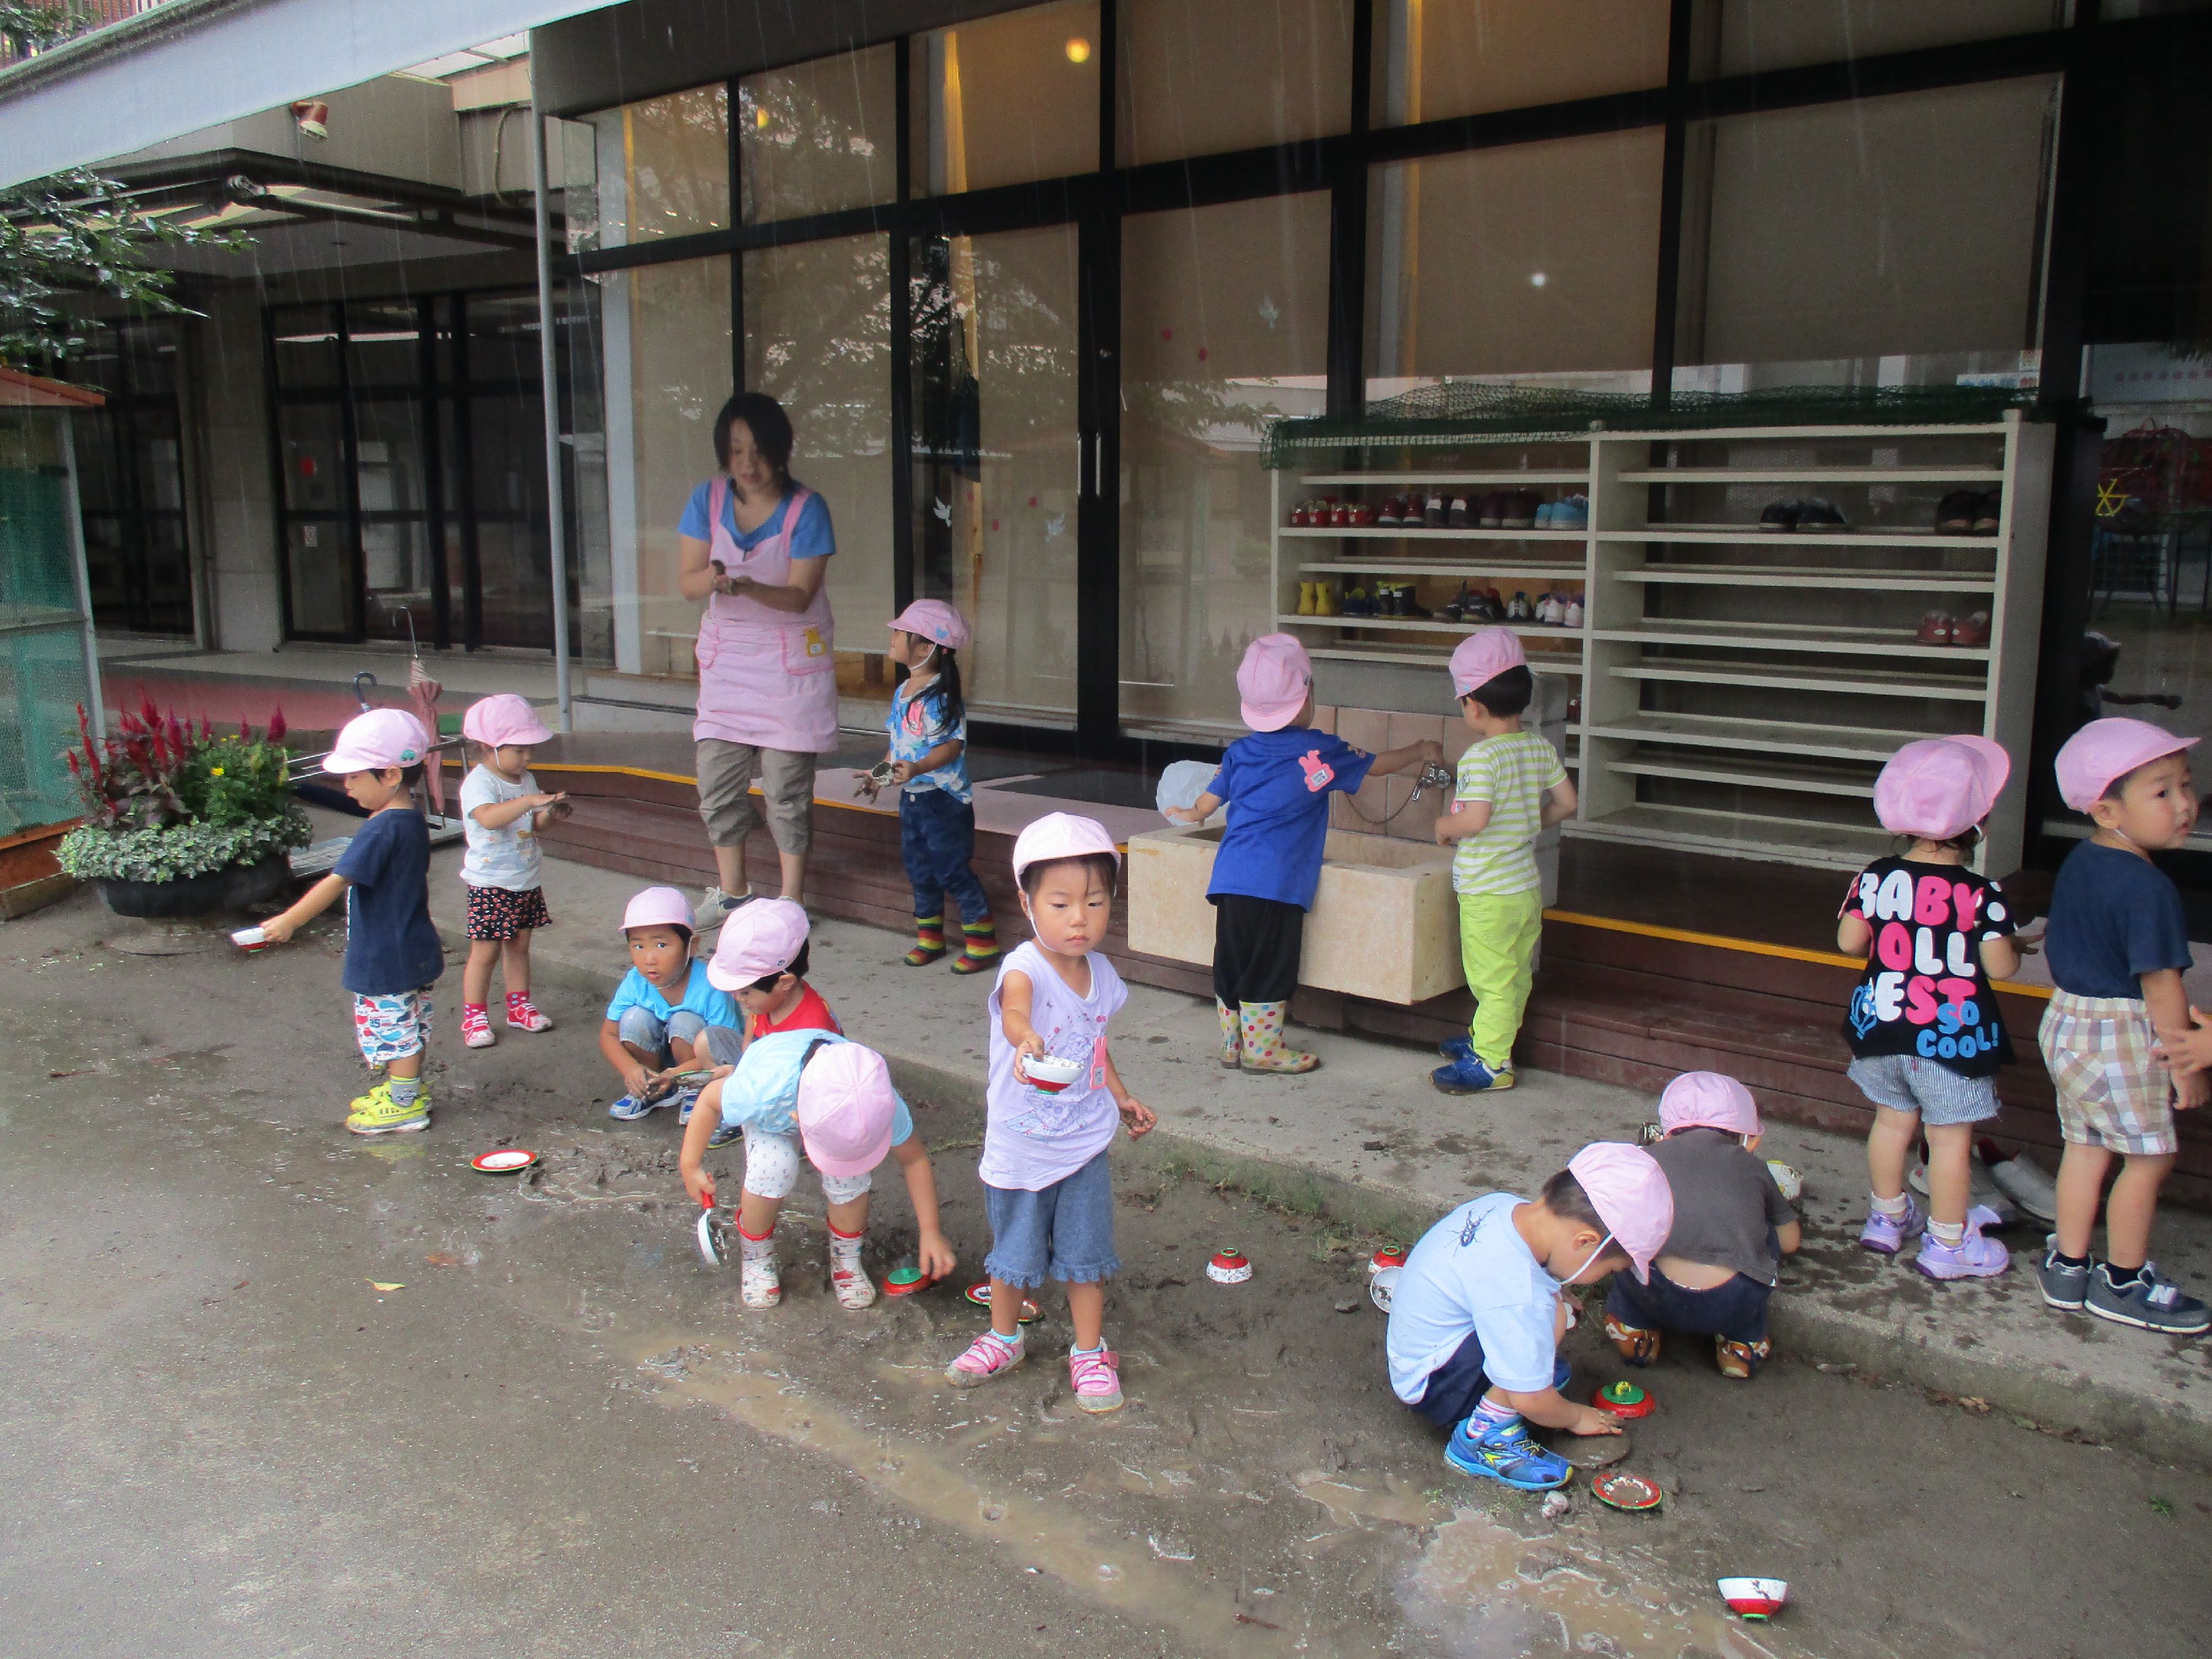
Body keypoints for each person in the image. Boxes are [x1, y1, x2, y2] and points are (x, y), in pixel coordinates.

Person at [946, 814, 1157, 1412]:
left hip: (1083, 1141)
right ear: (1028, 903)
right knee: (1013, 1255)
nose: (1079, 918)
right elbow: (1015, 1010)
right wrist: (1025, 1039)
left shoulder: (1103, 975)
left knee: (1085, 1257)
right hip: (1020, 1141)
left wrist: (1120, 1096)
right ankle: (1003, 1337)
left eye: (1095, 902)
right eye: (1060, 904)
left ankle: (1089, 1352)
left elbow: (1095, 1046)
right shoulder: (1025, 966)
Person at [1166, 633, 1442, 1072]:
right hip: (1278, 882)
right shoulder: (1321, 751)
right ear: (1304, 699)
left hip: (1231, 877)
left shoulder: (1240, 752)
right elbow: (1380, 765)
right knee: (1271, 963)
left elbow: (1208, 801)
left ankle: (1233, 1043)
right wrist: (1420, 750)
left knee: (1233, 959)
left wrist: (1190, 813)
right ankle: (1263, 1051)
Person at [2034, 718, 2209, 1336]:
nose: (2185, 804)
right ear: (2108, 811)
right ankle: (2123, 1282)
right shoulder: (2148, 887)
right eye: (2162, 792)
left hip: (2068, 1020)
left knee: (2086, 1146)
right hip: (2120, 1034)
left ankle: (2067, 1266)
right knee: (2149, 1158)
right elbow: (2161, 985)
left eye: (2186, 784)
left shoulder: (2083, 860)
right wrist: (2186, 1062)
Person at [1835, 736, 2021, 1279]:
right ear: (1978, 821)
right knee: (1948, 1142)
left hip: (1882, 1028)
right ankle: (1947, 1245)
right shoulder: (1983, 893)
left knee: (1891, 1126)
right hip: (1951, 1040)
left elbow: (1849, 943)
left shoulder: (1873, 876)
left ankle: (1887, 1220)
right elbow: (2002, 968)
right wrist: (2008, 943)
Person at [1386, 1144, 1673, 1492]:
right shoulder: (1521, 1294)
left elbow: (1490, 1278)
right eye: (1611, 1269)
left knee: (1549, 1314)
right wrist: (1575, 1417)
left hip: (1418, 1352)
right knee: (1549, 1321)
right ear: (1586, 1241)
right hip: (1435, 1386)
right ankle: (1484, 1437)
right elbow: (1530, 1400)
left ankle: (1506, 1388)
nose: (1605, 1277)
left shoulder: (1503, 1206)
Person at [678, 392, 837, 925]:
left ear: (781, 450)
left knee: (786, 789)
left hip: (788, 666)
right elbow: (687, 583)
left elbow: (801, 595)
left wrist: (746, 586)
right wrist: (713, 578)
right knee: (716, 783)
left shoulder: (808, 508)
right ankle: (734, 892)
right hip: (729, 666)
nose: (747, 463)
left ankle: (791, 899)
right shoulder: (707, 499)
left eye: (758, 451)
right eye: (736, 450)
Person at [258, 709, 444, 1136]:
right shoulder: (409, 817)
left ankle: (405, 1105)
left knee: (394, 1030)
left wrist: (290, 920)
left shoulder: (381, 830)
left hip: (385, 951)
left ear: (391, 775)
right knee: (409, 1023)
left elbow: (337, 880)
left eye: (355, 776)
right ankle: (406, 1092)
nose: (347, 785)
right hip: (411, 942)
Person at [678, 1034, 956, 1310]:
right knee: (772, 1167)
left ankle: (847, 1260)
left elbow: (914, 1160)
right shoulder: (760, 1092)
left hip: (819, 1093)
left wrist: (931, 1231)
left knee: (851, 1176)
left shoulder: (877, 1098)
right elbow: (709, 1100)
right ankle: (756, 1257)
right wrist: (690, 1165)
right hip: (773, 1110)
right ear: (799, 1119)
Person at [1431, 628, 1576, 1094]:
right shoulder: (1539, 747)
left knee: (1490, 979)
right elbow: (1567, 803)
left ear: (1473, 705)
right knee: (1513, 975)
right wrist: (1531, 823)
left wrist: (1444, 825)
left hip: (1488, 893)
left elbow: (1474, 820)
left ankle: (1493, 1064)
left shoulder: (1481, 758)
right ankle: (1488, 1039)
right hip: (1525, 888)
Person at [1604, 1072, 1801, 1377]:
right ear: (1749, 1139)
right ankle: (1741, 1347)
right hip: (1734, 1301)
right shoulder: (1754, 1167)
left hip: (1652, 1291)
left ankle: (1634, 1332)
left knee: (1630, 1229)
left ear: (1666, 1133)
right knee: (1768, 1234)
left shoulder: (1647, 1159)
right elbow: (1790, 1243)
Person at [862, 599, 996, 974]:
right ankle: (930, 939)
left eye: (901, 632)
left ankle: (983, 943)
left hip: (944, 801)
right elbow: (898, 745)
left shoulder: (939, 697)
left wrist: (918, 767)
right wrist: (879, 776)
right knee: (919, 869)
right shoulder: (904, 689)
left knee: (952, 869)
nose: (893, 636)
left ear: (926, 648)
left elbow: (952, 746)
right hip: (913, 798)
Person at [455, 693, 569, 1049]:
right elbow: (489, 818)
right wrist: (530, 801)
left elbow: (533, 825)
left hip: (524, 878)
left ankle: (519, 1007)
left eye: (529, 749)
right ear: (487, 748)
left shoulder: (526, 780)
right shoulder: (480, 783)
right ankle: (474, 1016)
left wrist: (550, 813)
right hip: (491, 882)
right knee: (485, 952)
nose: (527, 756)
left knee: (519, 946)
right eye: (519, 750)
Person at [696, 896, 845, 1149]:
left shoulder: (812, 1029)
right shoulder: (765, 1002)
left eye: (745, 992)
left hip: (798, 1091)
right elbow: (751, 1033)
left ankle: (790, 1133)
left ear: (784, 983)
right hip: (765, 1070)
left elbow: (806, 1085)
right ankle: (741, 1109)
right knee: (706, 1041)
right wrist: (743, 1068)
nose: (737, 998)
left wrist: (742, 1082)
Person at [601, 885, 738, 1124]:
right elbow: (608, 1034)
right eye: (638, 946)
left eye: (661, 945)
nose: (649, 959)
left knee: (685, 1021)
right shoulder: (635, 981)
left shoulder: (710, 986)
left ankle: (695, 1089)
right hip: (663, 1067)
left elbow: (726, 1051)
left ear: (691, 946)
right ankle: (650, 1087)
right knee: (634, 1018)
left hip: (701, 1067)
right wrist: (631, 1070)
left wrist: (677, 1074)